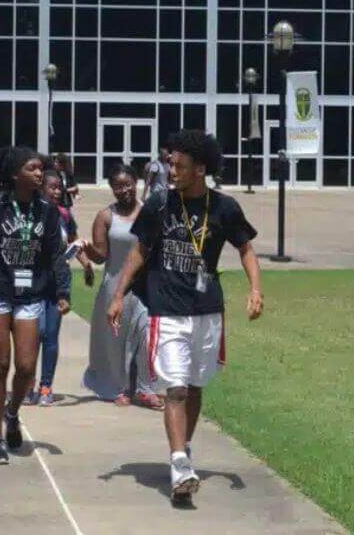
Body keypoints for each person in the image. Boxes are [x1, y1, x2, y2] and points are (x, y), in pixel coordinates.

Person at [106, 130, 264, 502]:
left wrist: (255, 289)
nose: (171, 170)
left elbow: (246, 249)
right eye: (170, 163)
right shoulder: (160, 204)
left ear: (200, 169)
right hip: (168, 311)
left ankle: (184, 450)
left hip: (207, 312)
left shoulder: (224, 207)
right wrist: (118, 295)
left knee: (194, 386)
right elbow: (139, 252)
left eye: (179, 165)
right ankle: (179, 465)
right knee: (174, 388)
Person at [0, 146, 71, 466]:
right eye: (33, 168)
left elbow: (55, 253)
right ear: (14, 173)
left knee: (25, 368)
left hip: (30, 294)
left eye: (41, 169)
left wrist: (62, 292)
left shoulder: (46, 209)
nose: (40, 174)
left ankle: (12, 413)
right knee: (1, 365)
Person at [83, 164, 163, 409]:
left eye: (128, 184)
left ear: (136, 182)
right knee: (115, 341)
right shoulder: (105, 216)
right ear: (112, 188)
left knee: (148, 336)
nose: (124, 190)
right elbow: (100, 256)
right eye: (118, 186)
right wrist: (87, 252)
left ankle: (145, 388)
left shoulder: (149, 211)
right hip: (115, 285)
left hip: (145, 286)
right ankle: (118, 388)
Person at [26, 169, 94, 406]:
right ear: (40, 187)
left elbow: (73, 243)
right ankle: (27, 384)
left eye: (59, 187)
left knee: (51, 335)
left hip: (57, 285)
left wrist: (85, 265)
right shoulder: (29, 212)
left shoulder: (64, 215)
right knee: (35, 334)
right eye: (51, 187)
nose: (56, 191)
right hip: (32, 285)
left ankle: (46, 386)